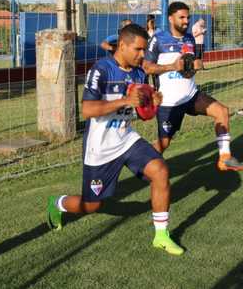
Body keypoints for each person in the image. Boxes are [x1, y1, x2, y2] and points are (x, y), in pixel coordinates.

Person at [46, 24, 184, 256]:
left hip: (126, 138)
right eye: (138, 49)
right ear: (122, 45)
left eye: (144, 50)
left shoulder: (139, 73)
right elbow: (87, 110)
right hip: (100, 147)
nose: (142, 55)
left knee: (160, 170)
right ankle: (57, 203)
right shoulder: (101, 70)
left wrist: (152, 102)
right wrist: (125, 101)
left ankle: (161, 236)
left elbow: (142, 113)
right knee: (92, 205)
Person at [143, 1, 243, 171]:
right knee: (163, 143)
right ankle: (141, 164)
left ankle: (224, 158)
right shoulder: (158, 39)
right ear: (170, 18)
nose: (186, 21)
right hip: (169, 102)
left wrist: (196, 65)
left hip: (191, 96)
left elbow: (189, 69)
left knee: (222, 111)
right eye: (182, 17)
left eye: (188, 17)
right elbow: (147, 67)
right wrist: (171, 66)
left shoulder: (190, 38)